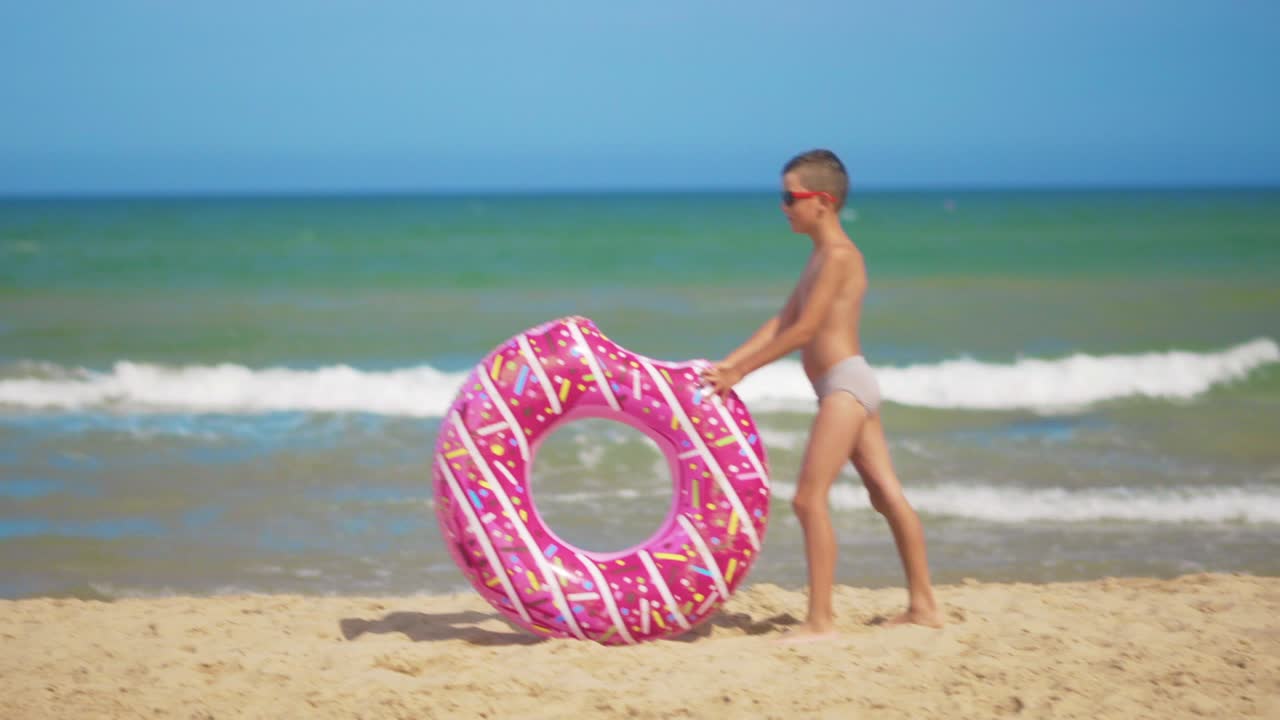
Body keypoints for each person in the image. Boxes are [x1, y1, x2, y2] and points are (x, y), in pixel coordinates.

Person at [700, 149, 942, 640]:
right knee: (885, 495)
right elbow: (782, 321)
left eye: (791, 197)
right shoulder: (818, 258)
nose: (784, 206)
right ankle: (924, 606)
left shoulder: (839, 256)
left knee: (809, 500)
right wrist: (728, 363)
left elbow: (806, 331)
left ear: (823, 202)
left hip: (845, 386)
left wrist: (742, 372)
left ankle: (821, 620)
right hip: (847, 385)